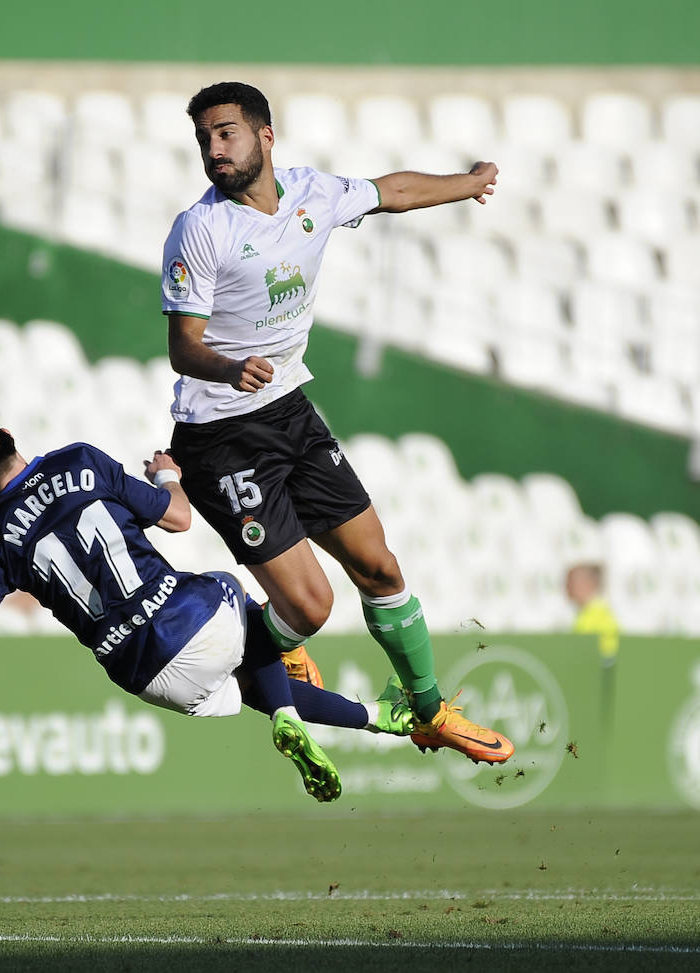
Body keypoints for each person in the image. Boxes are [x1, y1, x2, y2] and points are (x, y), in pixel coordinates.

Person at [158, 82, 513, 764]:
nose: (213, 149)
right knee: (311, 606)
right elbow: (182, 346)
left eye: (225, 133)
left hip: (290, 411)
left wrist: (466, 184)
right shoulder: (200, 229)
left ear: (266, 135)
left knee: (379, 566)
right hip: (220, 437)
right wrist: (230, 368)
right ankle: (270, 665)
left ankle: (430, 709)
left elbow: (392, 192)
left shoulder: (312, 193)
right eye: (204, 138)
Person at [0, 418, 415, 804]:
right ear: (12, 440)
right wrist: (166, 476)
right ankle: (288, 714)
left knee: (249, 682)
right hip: (189, 615)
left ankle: (379, 718)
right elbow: (180, 519)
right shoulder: (79, 461)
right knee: (234, 594)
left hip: (143, 674)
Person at [565, 562, 620, 727]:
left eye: (570, 582)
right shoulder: (592, 613)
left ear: (587, 584)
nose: (566, 589)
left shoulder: (597, 614)